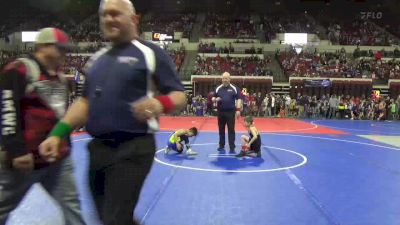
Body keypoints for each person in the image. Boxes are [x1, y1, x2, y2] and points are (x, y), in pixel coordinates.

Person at [39, 0, 187, 224]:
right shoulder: (96, 60)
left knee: (114, 218)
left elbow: (179, 95)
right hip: (98, 149)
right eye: (105, 15)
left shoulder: (151, 53)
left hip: (132, 148)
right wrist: (57, 133)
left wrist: (159, 103)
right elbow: (84, 103)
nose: (109, 19)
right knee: (109, 216)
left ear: (134, 19)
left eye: (116, 14)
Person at [0, 28, 85, 225]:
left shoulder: (60, 78)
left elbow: (60, 116)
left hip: (57, 159)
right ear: (43, 47)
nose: (65, 54)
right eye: (60, 49)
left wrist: (66, 146)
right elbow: (7, 110)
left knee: (72, 207)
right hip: (23, 160)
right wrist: (16, 150)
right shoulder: (19, 70)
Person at [212, 72, 242, 153]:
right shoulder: (218, 88)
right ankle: (221, 145)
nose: (224, 80)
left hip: (231, 112)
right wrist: (214, 99)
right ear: (221, 79)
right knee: (221, 129)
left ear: (229, 79)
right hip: (220, 112)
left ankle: (232, 146)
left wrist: (238, 110)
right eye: (223, 78)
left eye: (226, 78)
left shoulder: (234, 88)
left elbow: (239, 99)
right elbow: (213, 97)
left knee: (231, 130)